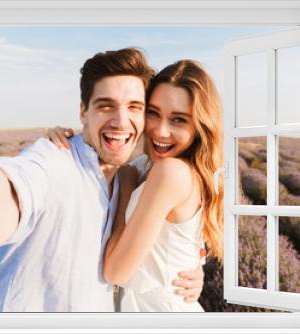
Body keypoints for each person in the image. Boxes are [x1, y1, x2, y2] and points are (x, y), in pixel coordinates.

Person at [0, 48, 205, 312]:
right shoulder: (53, 161)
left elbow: (177, 238)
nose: (122, 121)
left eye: (136, 108)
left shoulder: (138, 171)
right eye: (105, 106)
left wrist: (195, 266)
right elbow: (11, 187)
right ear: (83, 112)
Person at [49, 59, 223, 312]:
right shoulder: (151, 165)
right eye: (153, 113)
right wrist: (73, 138)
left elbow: (116, 272)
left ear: (199, 126)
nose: (160, 131)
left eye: (179, 120)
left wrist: (126, 187)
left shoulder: (170, 172)